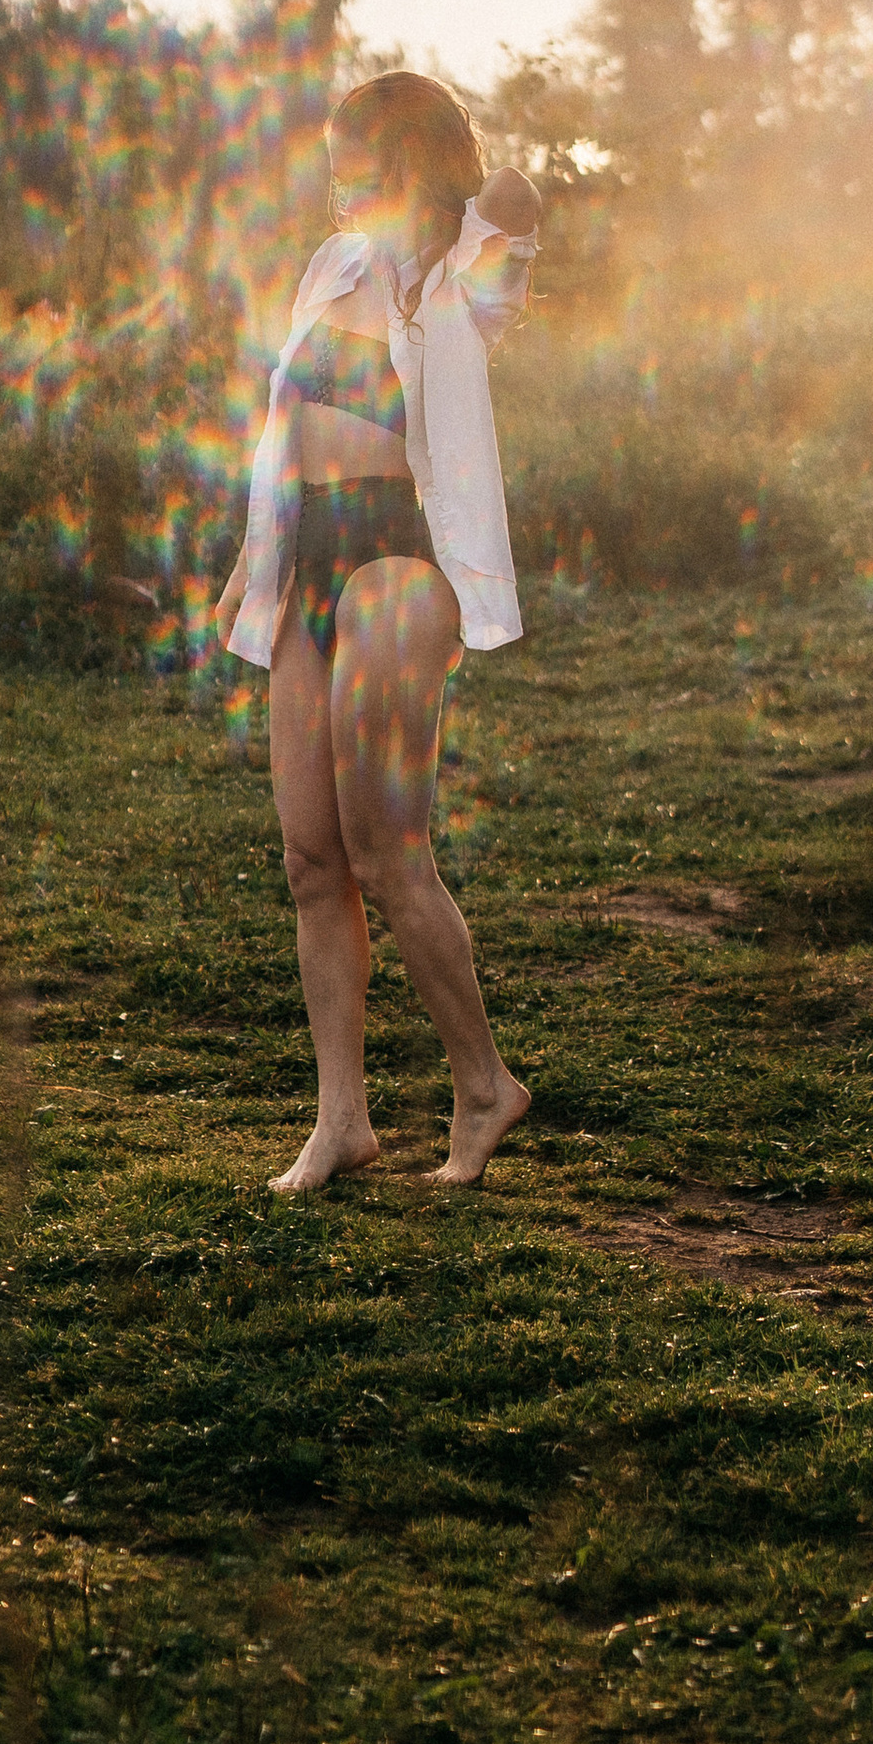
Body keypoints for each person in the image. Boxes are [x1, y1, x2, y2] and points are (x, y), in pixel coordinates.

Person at [215, 71, 542, 1192]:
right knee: (312, 858)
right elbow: (286, 427)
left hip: (397, 561)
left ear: (398, 159)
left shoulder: (450, 277)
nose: (333, 175)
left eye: (354, 155)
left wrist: (430, 191)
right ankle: (340, 1120)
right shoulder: (332, 267)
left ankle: (485, 1084)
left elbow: (516, 193)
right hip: (301, 558)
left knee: (384, 848)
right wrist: (245, 566)